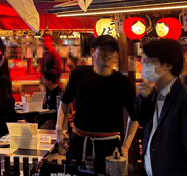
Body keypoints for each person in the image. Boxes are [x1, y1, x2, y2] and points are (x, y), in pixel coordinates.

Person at [57, 35, 139, 174]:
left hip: (110, 146)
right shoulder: (79, 74)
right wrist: (59, 129)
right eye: (103, 49)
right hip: (79, 142)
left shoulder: (123, 82)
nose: (107, 54)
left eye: (111, 51)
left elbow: (135, 116)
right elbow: (65, 103)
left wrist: (125, 146)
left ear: (116, 55)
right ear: (93, 51)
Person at [135, 39, 187, 176]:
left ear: (168, 65)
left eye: (148, 61)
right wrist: (143, 98)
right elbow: (141, 120)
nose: (143, 66)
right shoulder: (153, 94)